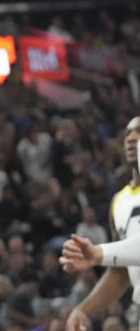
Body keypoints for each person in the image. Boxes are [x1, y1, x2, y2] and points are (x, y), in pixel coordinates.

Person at [62, 116, 140, 331]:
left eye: (139, 133)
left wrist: (98, 253)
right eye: (128, 134)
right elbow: (120, 269)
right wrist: (83, 309)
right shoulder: (119, 202)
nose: (132, 139)